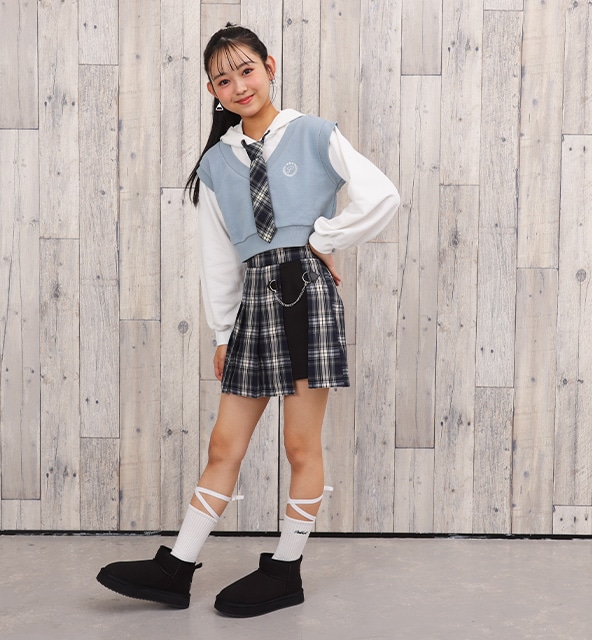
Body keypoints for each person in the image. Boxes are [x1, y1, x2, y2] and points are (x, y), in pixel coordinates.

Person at [97, 23, 400, 617]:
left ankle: (285, 570)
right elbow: (217, 258)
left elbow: (381, 194)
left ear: (270, 66)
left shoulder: (314, 133)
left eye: (246, 70)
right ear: (212, 91)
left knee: (299, 443)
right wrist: (222, 332)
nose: (238, 85)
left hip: (305, 293)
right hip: (254, 303)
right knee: (224, 442)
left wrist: (323, 237)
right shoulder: (216, 164)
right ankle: (177, 568)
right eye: (222, 79)